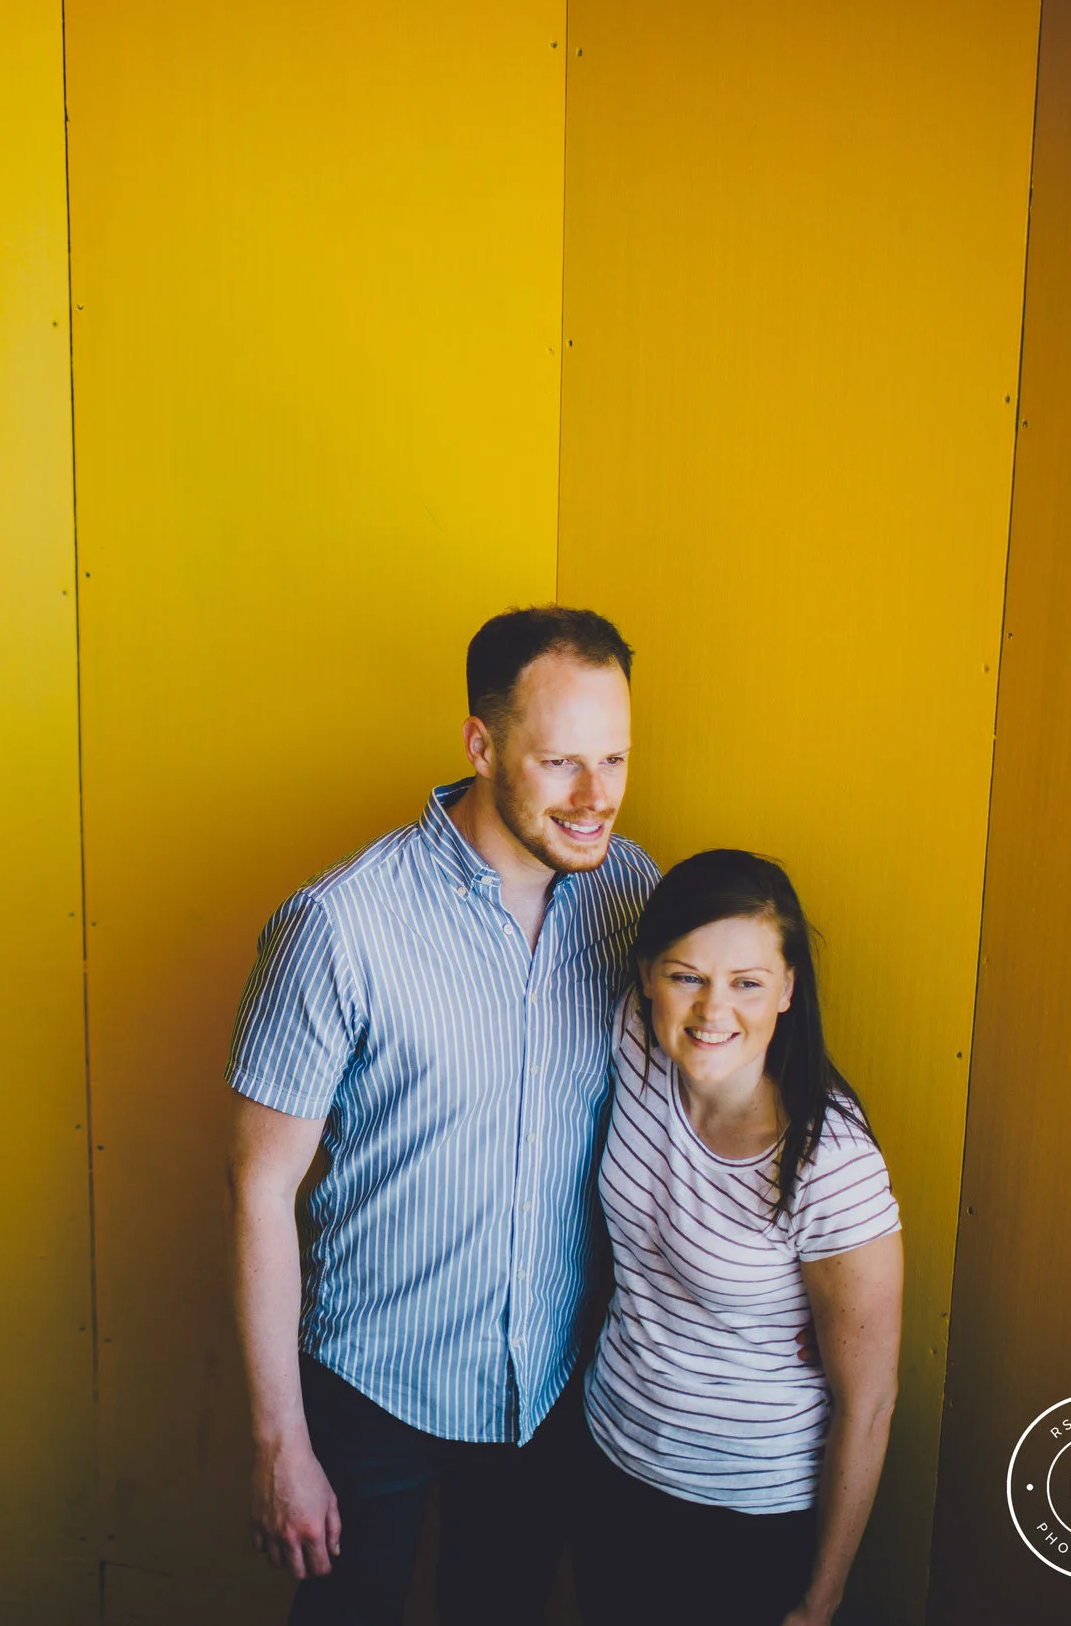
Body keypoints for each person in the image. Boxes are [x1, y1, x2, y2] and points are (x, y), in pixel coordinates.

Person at [226, 606, 655, 1624]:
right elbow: (257, 1187)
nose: (596, 798)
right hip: (370, 1386)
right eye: (560, 763)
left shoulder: (630, 892)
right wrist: (280, 1442)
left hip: (545, 1386)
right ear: (480, 742)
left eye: (615, 757)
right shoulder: (338, 926)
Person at [571, 851, 903, 1626]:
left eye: (747, 982)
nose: (712, 1010)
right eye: (687, 975)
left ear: (788, 988)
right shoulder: (637, 1043)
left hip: (747, 1513)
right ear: (648, 972)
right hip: (612, 1460)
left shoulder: (831, 1163)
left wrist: (820, 1602)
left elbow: (871, 1402)